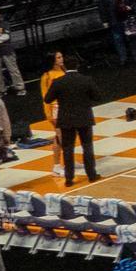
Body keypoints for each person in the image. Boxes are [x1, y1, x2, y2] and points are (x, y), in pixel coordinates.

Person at [45, 54, 97, 187]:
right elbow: (97, 96)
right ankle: (91, 175)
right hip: (84, 117)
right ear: (77, 65)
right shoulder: (86, 79)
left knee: (68, 149)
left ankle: (69, 179)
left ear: (65, 66)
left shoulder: (58, 82)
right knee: (87, 147)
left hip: (66, 119)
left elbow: (48, 99)